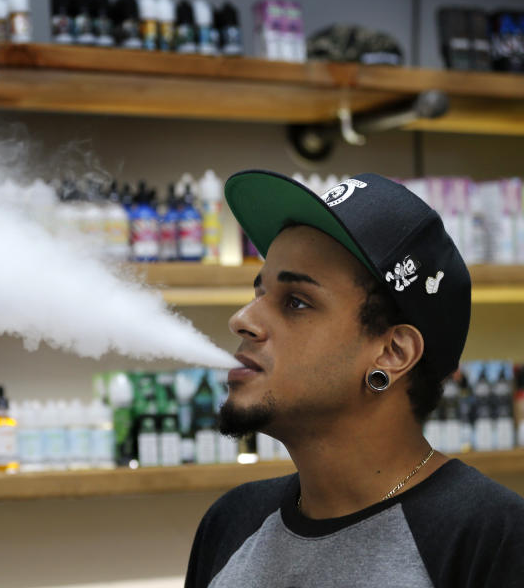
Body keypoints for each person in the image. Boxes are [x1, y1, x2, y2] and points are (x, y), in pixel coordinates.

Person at [184, 171, 524, 588]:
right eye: (259, 294)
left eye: (296, 301)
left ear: (392, 353)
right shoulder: (231, 522)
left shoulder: (493, 537)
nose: (242, 320)